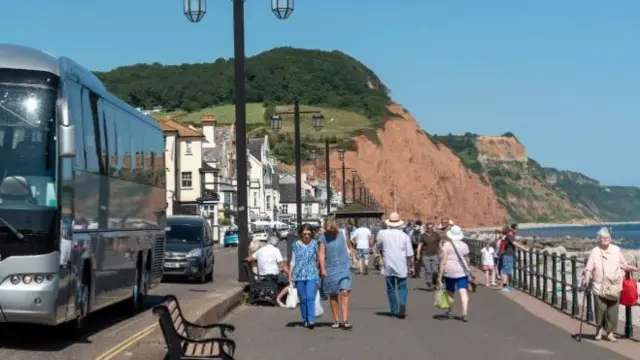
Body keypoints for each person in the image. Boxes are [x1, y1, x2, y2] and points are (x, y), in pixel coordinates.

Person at [582, 227, 638, 342]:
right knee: (600, 309)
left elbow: (623, 264)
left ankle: (610, 333)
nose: (605, 239)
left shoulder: (616, 250)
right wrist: (587, 279)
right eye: (603, 238)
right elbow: (589, 268)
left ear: (610, 239)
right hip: (599, 285)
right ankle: (599, 330)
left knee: (612, 310)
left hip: (614, 286)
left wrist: (632, 268)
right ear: (599, 239)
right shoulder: (595, 251)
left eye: (607, 237)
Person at [376, 213, 415, 319]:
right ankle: (402, 304)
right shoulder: (405, 236)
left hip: (388, 264)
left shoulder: (383, 234)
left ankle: (394, 310)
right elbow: (410, 254)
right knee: (402, 287)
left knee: (391, 288)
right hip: (401, 264)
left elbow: (378, 246)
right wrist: (412, 267)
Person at [318, 219, 354, 330]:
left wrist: (352, 251)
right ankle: (336, 320)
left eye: (333, 231)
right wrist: (323, 268)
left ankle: (345, 320)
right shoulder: (323, 237)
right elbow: (322, 254)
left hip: (344, 266)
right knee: (333, 295)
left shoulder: (342, 233)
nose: (331, 234)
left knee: (344, 292)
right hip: (330, 268)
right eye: (329, 232)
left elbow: (350, 245)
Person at [437, 225, 471, 322]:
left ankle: (450, 311)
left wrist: (440, 276)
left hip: (450, 271)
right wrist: (468, 269)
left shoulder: (446, 245)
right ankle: (464, 313)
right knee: (463, 292)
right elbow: (467, 259)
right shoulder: (464, 245)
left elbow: (443, 261)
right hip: (462, 271)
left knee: (450, 292)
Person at [289, 224, 320, 329]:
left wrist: (319, 267)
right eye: (304, 234)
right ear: (300, 235)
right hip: (299, 275)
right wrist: (290, 274)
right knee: (303, 298)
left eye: (309, 234)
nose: (307, 236)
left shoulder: (315, 244)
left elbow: (319, 257)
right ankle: (305, 319)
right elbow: (293, 261)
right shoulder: (296, 245)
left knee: (310, 297)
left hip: (311, 274)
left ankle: (311, 319)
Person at [246, 237, 290, 305]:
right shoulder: (276, 250)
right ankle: (279, 297)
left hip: (262, 278)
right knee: (288, 281)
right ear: (276, 244)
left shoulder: (260, 250)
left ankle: (275, 295)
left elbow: (249, 259)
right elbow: (283, 266)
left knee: (281, 276)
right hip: (272, 278)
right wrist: (290, 274)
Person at [501, 224, 528, 292]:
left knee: (508, 271)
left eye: (517, 229)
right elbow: (514, 243)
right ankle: (504, 287)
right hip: (508, 255)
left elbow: (513, 244)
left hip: (509, 255)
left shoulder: (510, 235)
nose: (517, 230)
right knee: (506, 271)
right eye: (516, 229)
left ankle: (506, 286)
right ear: (512, 229)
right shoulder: (510, 235)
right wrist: (524, 248)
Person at [416, 222, 441, 289]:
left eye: (431, 227)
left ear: (433, 228)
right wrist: (418, 254)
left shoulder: (436, 235)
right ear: (426, 228)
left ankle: (434, 282)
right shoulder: (423, 236)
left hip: (435, 254)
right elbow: (420, 245)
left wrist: (442, 251)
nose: (430, 229)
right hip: (425, 255)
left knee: (435, 270)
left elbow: (439, 244)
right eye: (429, 228)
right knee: (428, 270)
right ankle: (429, 281)